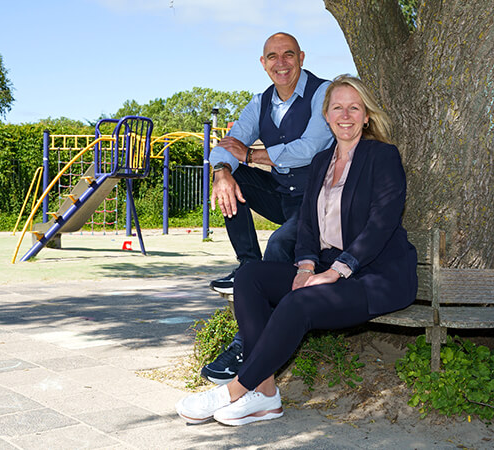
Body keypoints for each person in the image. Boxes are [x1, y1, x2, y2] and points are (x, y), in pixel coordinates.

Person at [177, 75, 418, 426]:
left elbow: (381, 223)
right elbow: (307, 223)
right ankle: (266, 395)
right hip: (327, 268)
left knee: (298, 301)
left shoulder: (382, 156)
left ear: (366, 116)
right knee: (249, 277)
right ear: (327, 115)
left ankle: (234, 391)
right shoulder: (321, 161)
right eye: (338, 107)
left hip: (375, 277)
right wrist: (306, 267)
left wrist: (335, 271)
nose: (346, 115)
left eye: (355, 107)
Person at [201, 32, 333, 384]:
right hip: (281, 195)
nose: (281, 63)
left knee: (278, 243)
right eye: (272, 56)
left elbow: (313, 147)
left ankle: (249, 345)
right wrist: (222, 170)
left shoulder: (324, 93)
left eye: (288, 54)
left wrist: (254, 155)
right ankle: (247, 265)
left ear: (301, 57)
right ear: (263, 63)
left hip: (317, 200)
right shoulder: (259, 102)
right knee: (229, 177)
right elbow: (229, 143)